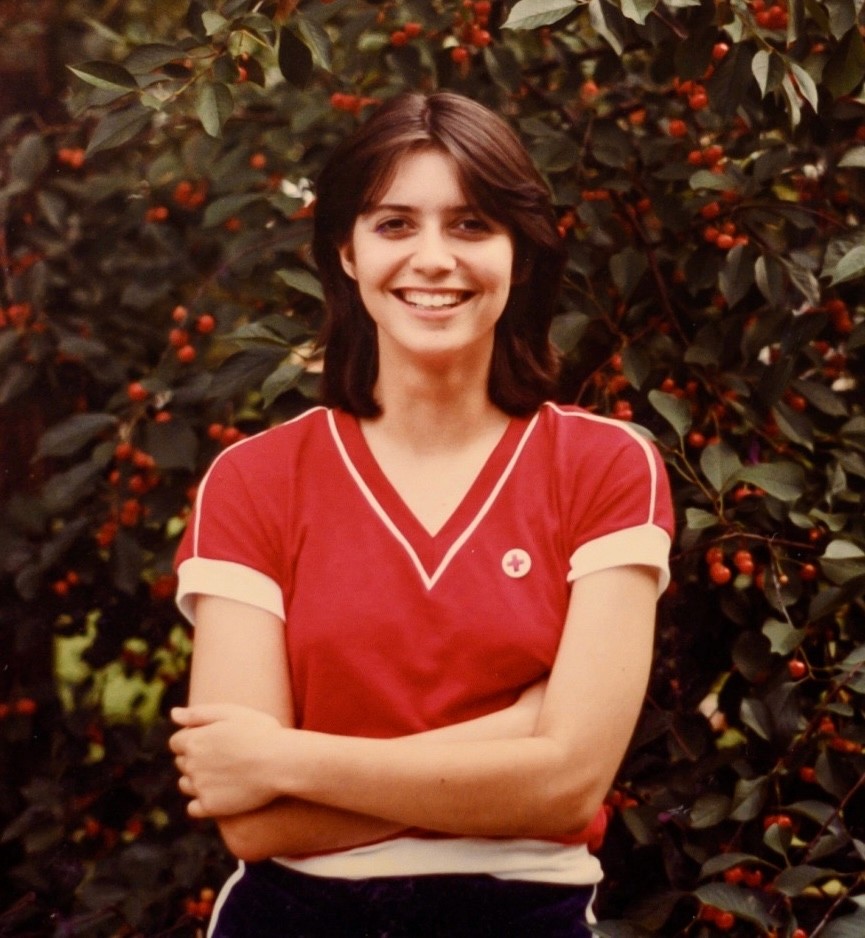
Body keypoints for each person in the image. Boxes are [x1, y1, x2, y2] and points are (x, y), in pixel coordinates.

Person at [169, 91, 674, 937]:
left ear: (519, 251)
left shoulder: (603, 466)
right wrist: (518, 740)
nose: (432, 258)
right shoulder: (253, 479)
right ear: (347, 251)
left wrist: (284, 759)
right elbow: (254, 823)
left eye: (471, 224)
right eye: (394, 224)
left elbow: (566, 788)